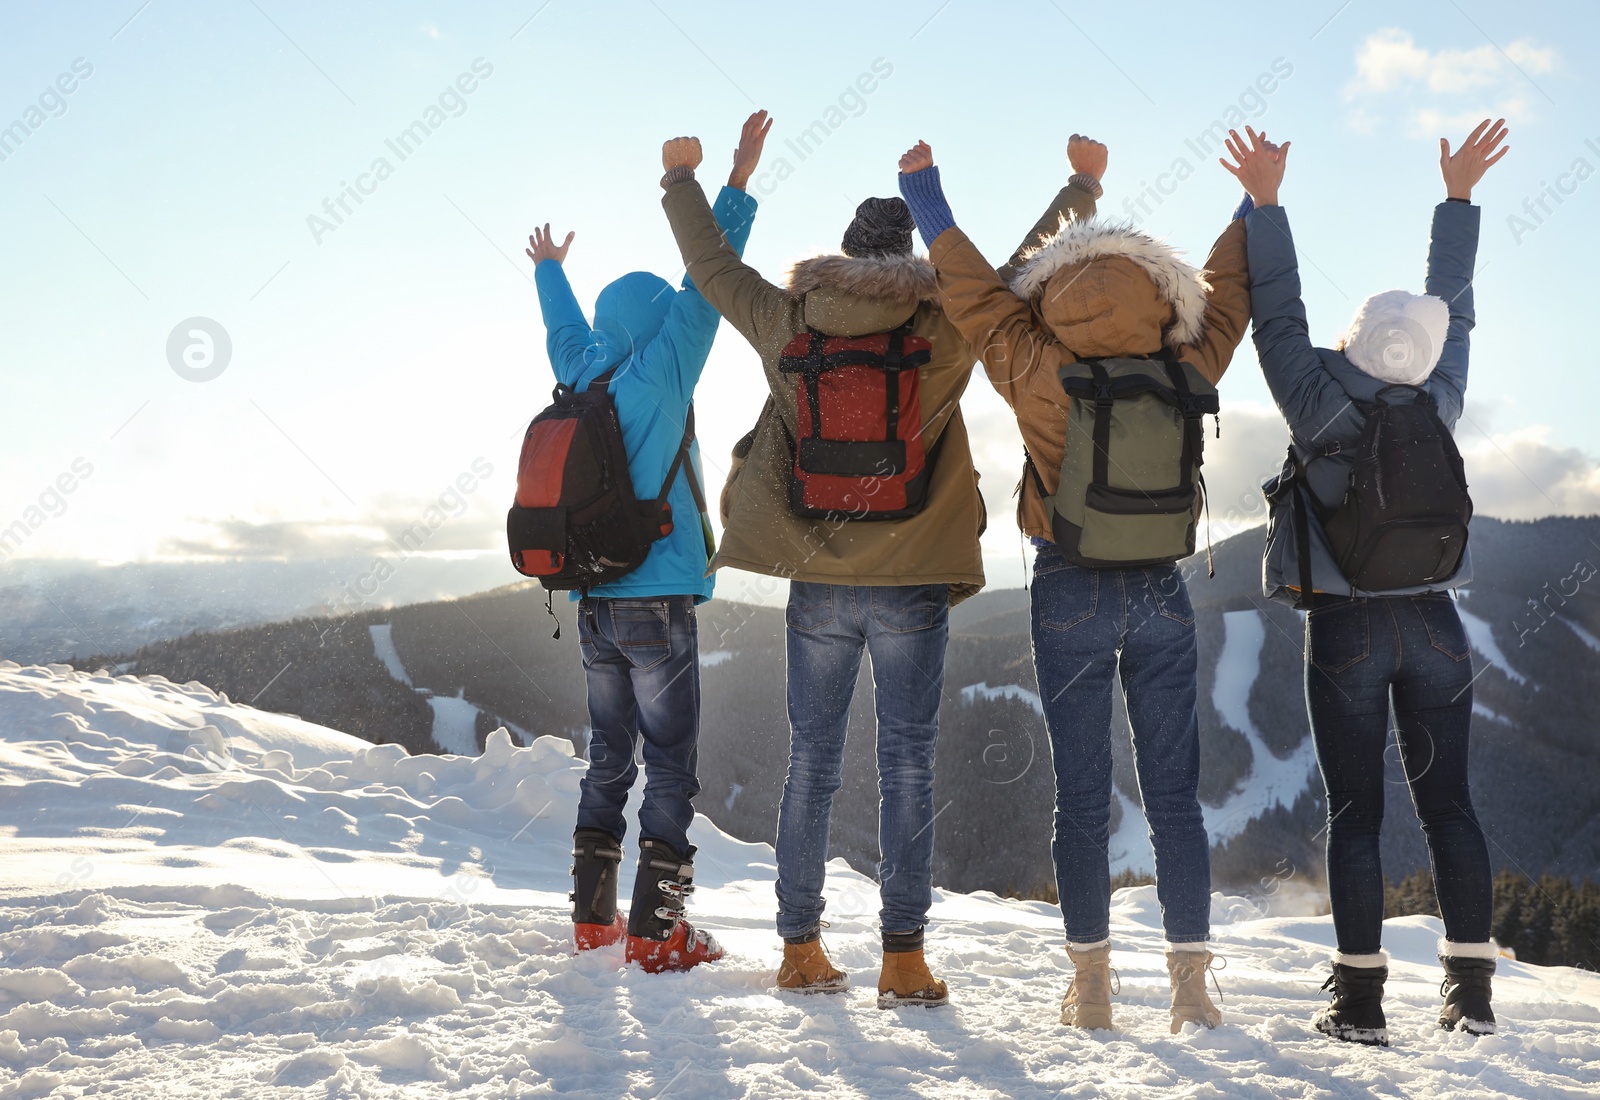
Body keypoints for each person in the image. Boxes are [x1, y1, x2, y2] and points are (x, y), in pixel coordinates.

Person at [659, 132, 1105, 1007]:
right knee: (907, 763)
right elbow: (1017, 269)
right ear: (905, 261)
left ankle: (800, 948)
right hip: (911, 584)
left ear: (840, 257)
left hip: (819, 583)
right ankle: (903, 960)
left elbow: (709, 266)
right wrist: (1079, 187)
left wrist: (682, 179)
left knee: (811, 762)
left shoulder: (788, 321)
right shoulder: (943, 327)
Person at [897, 135, 1252, 1032]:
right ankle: (1191, 987)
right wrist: (1252, 202)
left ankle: (1092, 987)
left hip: (1069, 588)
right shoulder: (1187, 364)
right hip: (1166, 594)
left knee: (1083, 795)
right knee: (1175, 796)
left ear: (1052, 296)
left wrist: (926, 197)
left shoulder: (1032, 364)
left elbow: (974, 287)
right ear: (1156, 291)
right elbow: (1229, 293)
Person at [1225, 120, 1509, 1043]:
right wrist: (1457, 200)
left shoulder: (1317, 406)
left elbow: (1277, 317)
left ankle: (1359, 1007)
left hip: (1345, 631)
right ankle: (1470, 998)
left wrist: (1266, 205)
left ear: (1355, 347)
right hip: (1436, 626)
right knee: (1452, 809)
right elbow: (1456, 307)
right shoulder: (1443, 401)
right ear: (1420, 352)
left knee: (1356, 817)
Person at [528, 111, 770, 974]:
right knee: (671, 769)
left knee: (610, 758)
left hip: (592, 601)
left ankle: (594, 922)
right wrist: (731, 178)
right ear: (660, 318)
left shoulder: (582, 370)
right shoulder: (664, 365)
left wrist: (551, 270)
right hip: (659, 601)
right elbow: (710, 274)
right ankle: (657, 934)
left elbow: (563, 327)